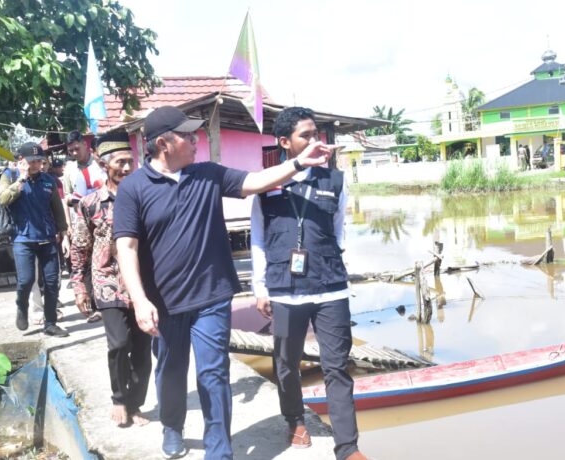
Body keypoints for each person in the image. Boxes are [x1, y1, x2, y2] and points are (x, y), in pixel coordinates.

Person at [113, 106, 332, 459]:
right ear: (163, 144)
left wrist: (299, 163)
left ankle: (219, 451)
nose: (195, 140)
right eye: (187, 135)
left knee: (214, 374)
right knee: (170, 373)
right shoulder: (134, 189)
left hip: (211, 295)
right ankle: (172, 425)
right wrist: (140, 300)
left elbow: (254, 181)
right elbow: (127, 246)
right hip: (165, 303)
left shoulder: (208, 174)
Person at [251, 107, 367, 460]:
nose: (315, 141)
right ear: (285, 142)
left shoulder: (336, 180)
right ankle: (295, 420)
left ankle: (347, 447)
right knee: (286, 362)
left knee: (336, 367)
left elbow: (337, 231)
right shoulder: (267, 182)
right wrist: (260, 287)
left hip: (330, 287)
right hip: (285, 288)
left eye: (317, 134)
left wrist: (327, 260)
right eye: (306, 135)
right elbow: (258, 235)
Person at [70, 131, 151, 427]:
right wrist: (80, 287)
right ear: (105, 165)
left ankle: (136, 403)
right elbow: (80, 247)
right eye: (121, 162)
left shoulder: (145, 198)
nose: (128, 168)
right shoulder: (90, 203)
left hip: (142, 284)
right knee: (119, 344)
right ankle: (119, 399)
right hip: (107, 282)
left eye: (131, 162)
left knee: (143, 349)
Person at [0, 142, 69, 337]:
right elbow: (3, 199)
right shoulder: (10, 176)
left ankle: (50, 323)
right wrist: (21, 178)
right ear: (21, 160)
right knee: (27, 280)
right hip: (23, 239)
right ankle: (22, 306)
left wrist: (63, 234)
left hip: (47, 237)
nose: (37, 165)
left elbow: (57, 209)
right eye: (32, 161)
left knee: (52, 282)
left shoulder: (48, 180)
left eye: (40, 161)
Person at [63, 131, 105, 321]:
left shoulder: (99, 164)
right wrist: (68, 226)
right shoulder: (69, 170)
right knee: (84, 262)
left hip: (103, 220)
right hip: (81, 221)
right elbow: (66, 199)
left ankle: (108, 301)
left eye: (76, 149)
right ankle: (95, 307)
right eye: (70, 150)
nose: (73, 153)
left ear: (85, 145)